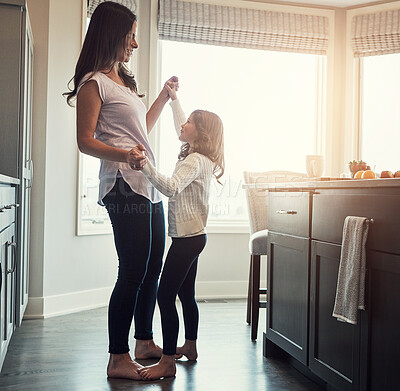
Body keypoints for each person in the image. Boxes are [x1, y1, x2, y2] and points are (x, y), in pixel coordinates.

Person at [63, 1, 178, 380]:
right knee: (132, 269)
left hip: (148, 184)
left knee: (151, 266)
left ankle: (144, 341)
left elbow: (139, 129)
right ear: (114, 34)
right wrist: (123, 156)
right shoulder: (93, 83)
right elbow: (85, 140)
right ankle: (117, 356)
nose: (135, 44)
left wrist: (161, 96)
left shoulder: (123, 83)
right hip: (123, 185)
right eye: (131, 36)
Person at [131, 85, 225, 380]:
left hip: (186, 240)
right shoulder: (201, 156)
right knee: (186, 294)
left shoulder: (195, 161)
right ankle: (191, 347)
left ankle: (168, 361)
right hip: (195, 236)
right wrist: (174, 101)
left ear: (199, 133)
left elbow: (170, 187)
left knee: (164, 295)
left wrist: (145, 166)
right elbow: (183, 124)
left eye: (189, 124)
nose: (182, 126)